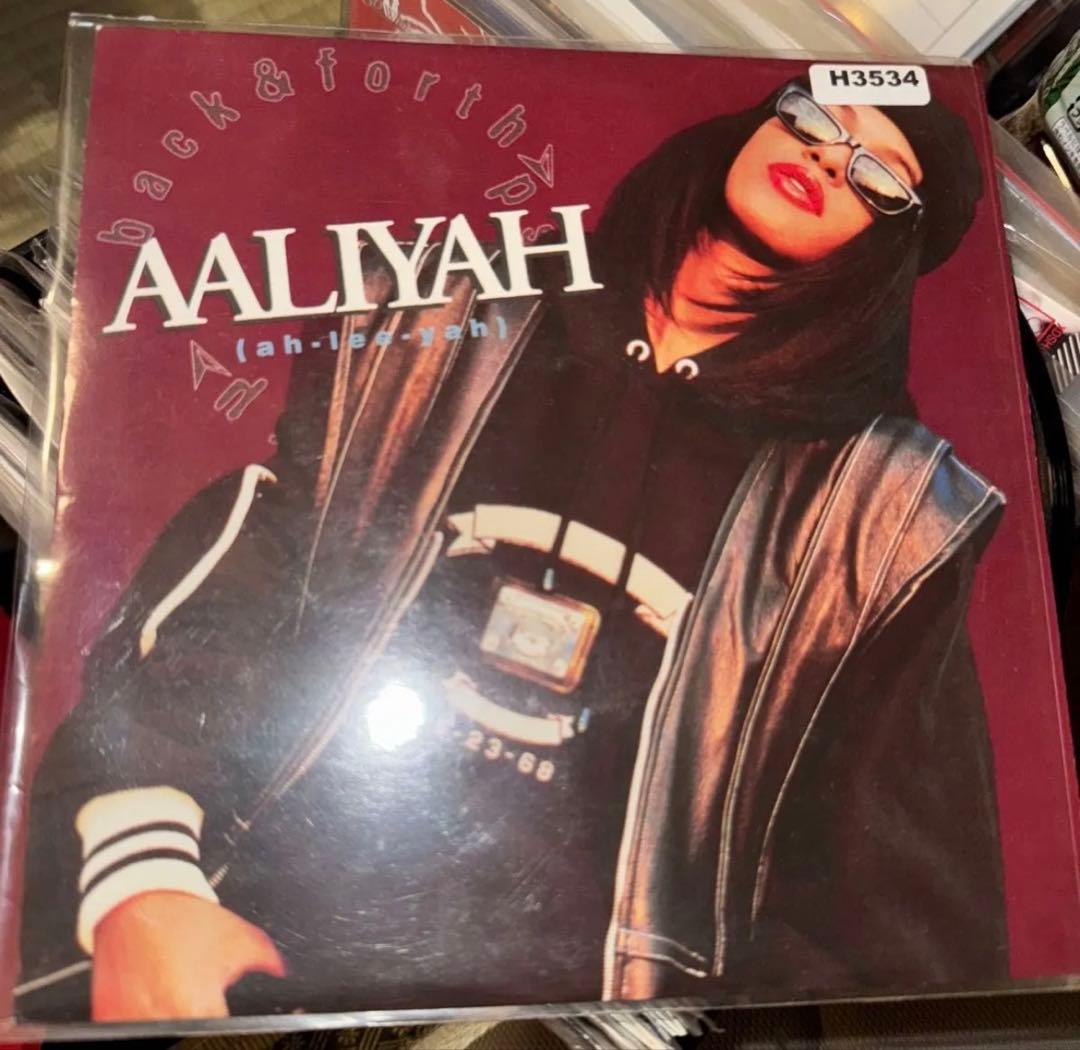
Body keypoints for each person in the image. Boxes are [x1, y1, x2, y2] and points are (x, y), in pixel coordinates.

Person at [18, 78, 1008, 1021]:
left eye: (879, 174)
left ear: (889, 248)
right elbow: (249, 586)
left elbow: (894, 912)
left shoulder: (889, 515)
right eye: (819, 120)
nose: (830, 158)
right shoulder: (438, 299)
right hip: (251, 929)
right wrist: (143, 878)